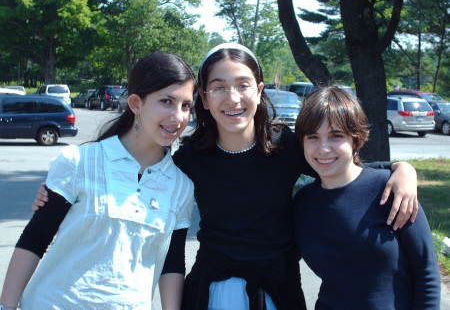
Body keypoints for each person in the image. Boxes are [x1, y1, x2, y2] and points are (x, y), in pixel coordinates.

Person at [32, 43, 419, 310]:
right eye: (218, 87)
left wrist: (404, 170)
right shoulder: (189, 158)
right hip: (211, 288)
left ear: (260, 90)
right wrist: (60, 192)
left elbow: (345, 168)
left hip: (277, 288)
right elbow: (134, 174)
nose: (232, 98)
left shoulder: (286, 146)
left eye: (242, 85)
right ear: (203, 97)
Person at [0, 52, 197, 310]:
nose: (178, 116)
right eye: (166, 101)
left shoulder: (181, 185)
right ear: (136, 104)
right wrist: (6, 305)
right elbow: (35, 239)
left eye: (185, 105)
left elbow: (172, 263)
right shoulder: (80, 161)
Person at [293, 86, 440, 310]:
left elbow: (426, 273)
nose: (323, 148)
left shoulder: (392, 189)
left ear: (356, 139)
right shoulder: (303, 203)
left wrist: (403, 169)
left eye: (336, 136)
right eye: (313, 137)